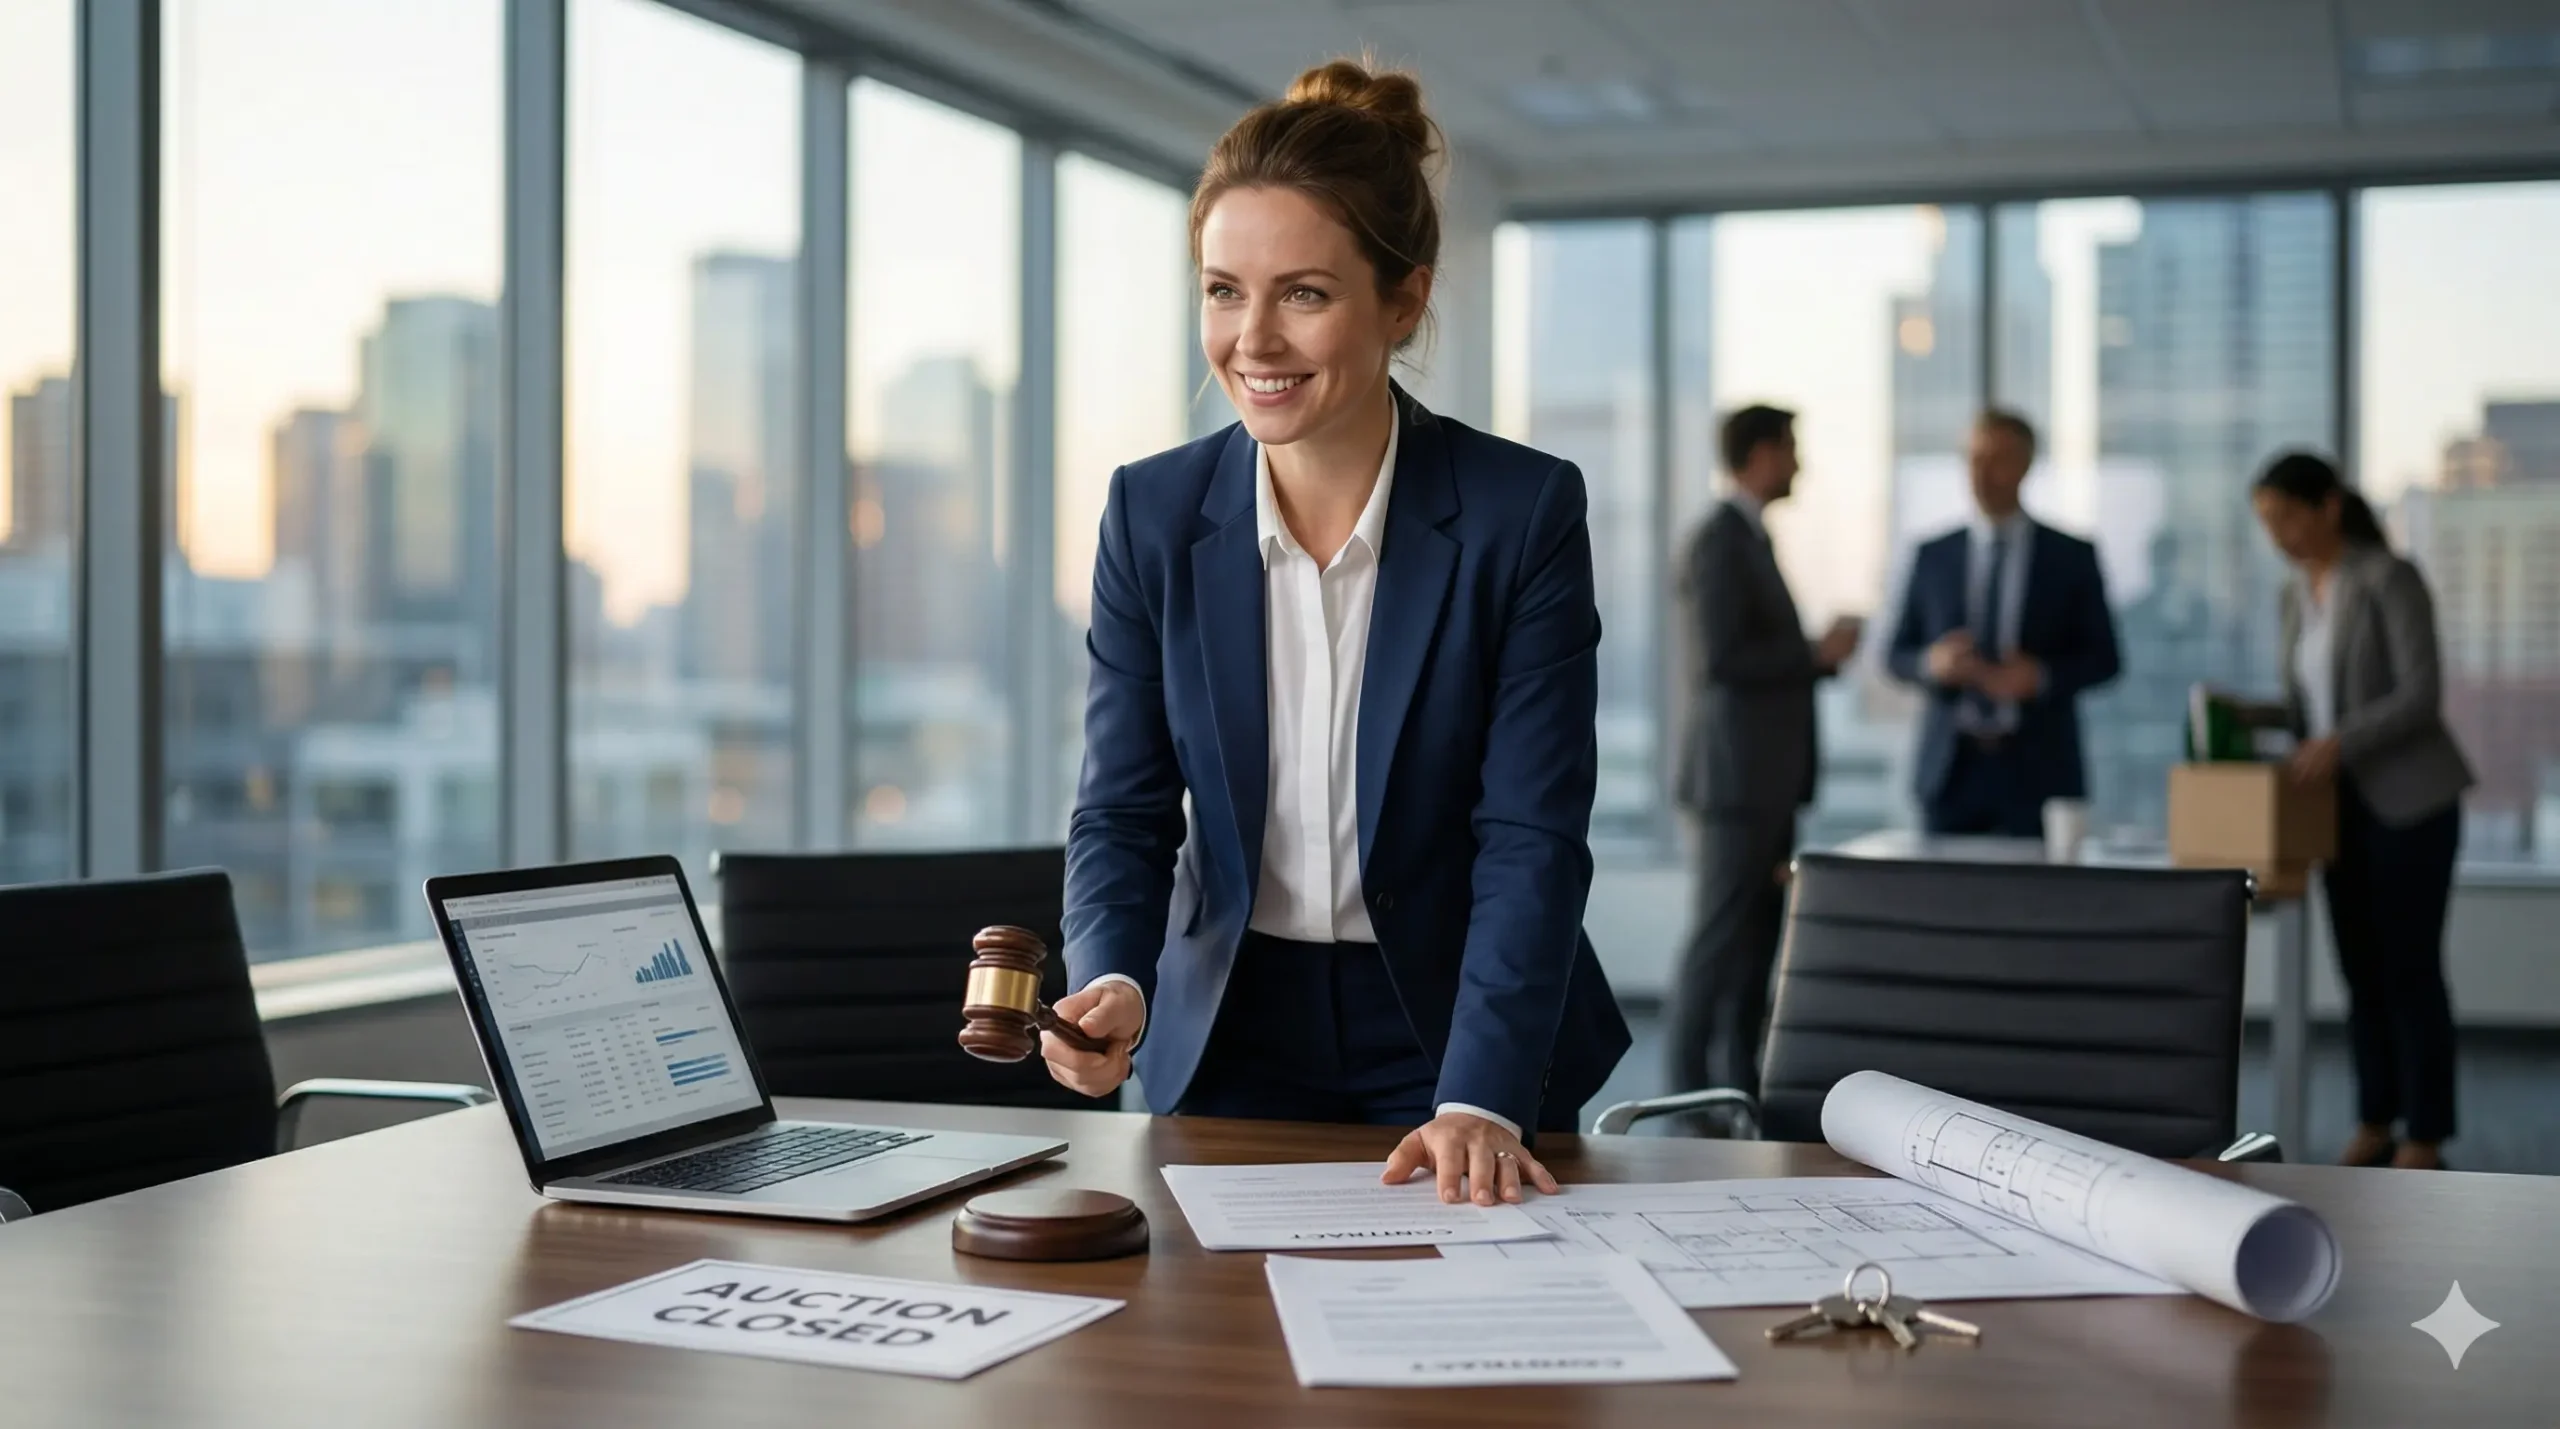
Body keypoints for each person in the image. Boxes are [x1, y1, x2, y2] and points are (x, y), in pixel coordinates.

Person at [1044, 59, 1630, 1208]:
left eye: (1303, 293)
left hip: (1461, 1029)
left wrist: (1480, 1093)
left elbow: (1530, 833)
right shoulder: (1151, 514)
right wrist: (1110, 971)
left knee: (1474, 1372)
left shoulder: (1521, 512)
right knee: (1212, 1370)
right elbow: (1121, 805)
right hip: (1226, 1029)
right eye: (1222, 290)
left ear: (1402, 302)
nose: (1251, 339)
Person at [2236, 452, 2472, 1171]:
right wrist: (2248, 712)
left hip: (2410, 800)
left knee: (2410, 967)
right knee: (2360, 969)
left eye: (2285, 516)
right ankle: (2376, 1118)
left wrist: (2339, 741)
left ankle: (2425, 1132)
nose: (2276, 534)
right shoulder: (2294, 595)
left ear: (2328, 506)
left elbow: (2419, 694)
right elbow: (2313, 706)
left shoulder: (2388, 578)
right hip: (2337, 810)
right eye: (2266, 521)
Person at [1665, 406, 1860, 1105]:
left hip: (1764, 782)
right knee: (1720, 941)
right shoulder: (1720, 539)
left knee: (1754, 944)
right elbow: (1723, 657)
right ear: (1761, 453)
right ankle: (1686, 1096)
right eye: (1791, 448)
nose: (1799, 463)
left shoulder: (1748, 537)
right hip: (1735, 782)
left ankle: (1739, 1088)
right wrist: (1815, 653)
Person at [1886, 409, 2122, 836]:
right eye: (1973, 460)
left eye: (1996, 460)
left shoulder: (2070, 556)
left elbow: (2106, 658)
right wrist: (1932, 664)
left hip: (2039, 770)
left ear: (2025, 466)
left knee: (2036, 899)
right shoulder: (1933, 555)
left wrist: (2042, 677)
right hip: (1951, 772)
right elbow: (1895, 654)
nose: (1981, 474)